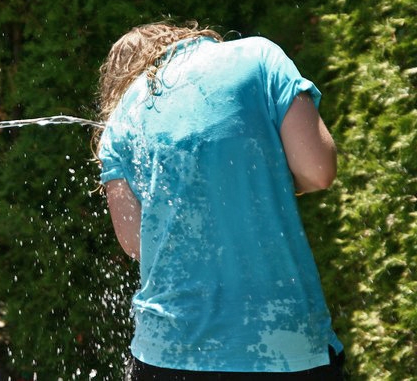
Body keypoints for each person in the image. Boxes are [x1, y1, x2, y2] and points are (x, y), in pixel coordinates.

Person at [94, 21, 345, 379]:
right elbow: (317, 169)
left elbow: (136, 242)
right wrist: (262, 182)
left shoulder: (123, 117)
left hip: (167, 354)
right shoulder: (258, 57)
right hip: (283, 346)